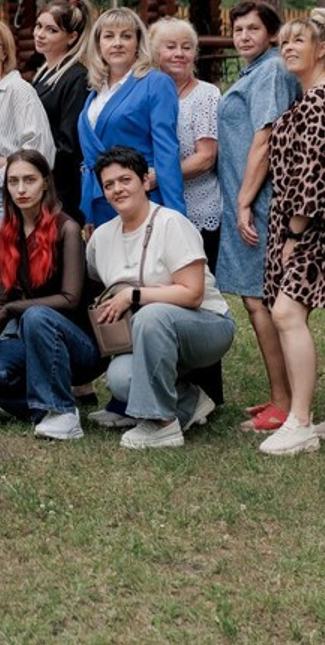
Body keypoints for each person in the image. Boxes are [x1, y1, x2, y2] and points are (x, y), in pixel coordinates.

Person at [257, 9, 325, 456]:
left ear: (322, 48)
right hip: (322, 222)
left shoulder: (321, 97)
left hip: (315, 224)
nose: (289, 48)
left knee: (285, 313)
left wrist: (294, 233)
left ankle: (300, 421)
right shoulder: (320, 92)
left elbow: (317, 174)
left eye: (299, 41)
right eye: (283, 43)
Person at [0, 149, 99, 441]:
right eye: (13, 181)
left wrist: (11, 310)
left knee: (37, 316)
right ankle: (42, 407)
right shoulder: (9, 231)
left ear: (45, 183)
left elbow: (70, 299)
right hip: (32, 340)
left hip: (79, 347)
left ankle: (62, 411)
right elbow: (3, 296)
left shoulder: (67, 228)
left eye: (29, 180)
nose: (21, 189)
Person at [86, 147, 235, 450]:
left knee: (151, 314)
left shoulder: (171, 223)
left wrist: (134, 295)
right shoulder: (101, 238)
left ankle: (161, 424)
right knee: (120, 378)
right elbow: (95, 280)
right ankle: (190, 400)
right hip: (146, 333)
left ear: (145, 181)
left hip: (206, 326)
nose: (117, 189)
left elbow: (193, 294)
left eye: (125, 179)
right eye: (109, 184)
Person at [214, 0, 300, 433]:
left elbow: (265, 138)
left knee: (260, 300)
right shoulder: (253, 72)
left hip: (261, 201)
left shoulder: (271, 72)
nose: (244, 36)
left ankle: (285, 404)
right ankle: (278, 394)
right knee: (257, 301)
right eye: (238, 29)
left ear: (270, 34)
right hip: (242, 197)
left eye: (253, 29)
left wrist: (246, 201)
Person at [150, 16, 224, 405]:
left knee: (198, 298)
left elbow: (205, 157)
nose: (179, 54)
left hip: (198, 211)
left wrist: (156, 176)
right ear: (155, 52)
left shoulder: (205, 95)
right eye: (170, 47)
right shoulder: (150, 89)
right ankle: (172, 383)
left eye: (186, 47)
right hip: (159, 211)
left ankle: (209, 390)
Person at [0, 17, 54, 323]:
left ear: (4, 51)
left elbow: (42, 151)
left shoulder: (18, 91)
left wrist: (4, 169)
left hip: (6, 198)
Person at [77, 7, 184, 232]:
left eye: (126, 36)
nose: (117, 43)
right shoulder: (95, 93)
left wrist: (177, 215)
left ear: (138, 43)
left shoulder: (155, 83)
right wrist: (88, 211)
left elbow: (167, 149)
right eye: (109, 36)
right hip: (101, 201)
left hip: (141, 197)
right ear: (98, 45)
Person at [30, 0, 93, 220]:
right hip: (39, 180)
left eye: (51, 30)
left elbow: (68, 145)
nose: (40, 34)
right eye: (38, 26)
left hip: (60, 189)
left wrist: (33, 172)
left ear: (71, 37)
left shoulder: (76, 77)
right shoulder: (43, 73)